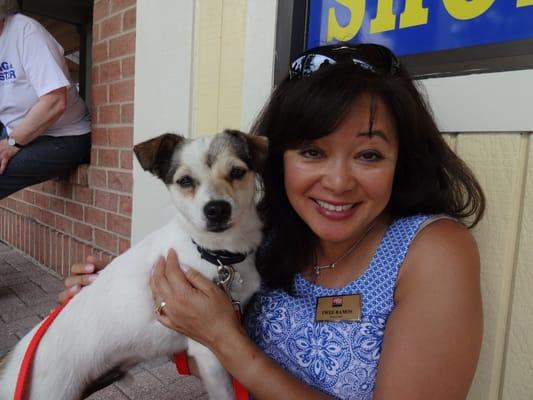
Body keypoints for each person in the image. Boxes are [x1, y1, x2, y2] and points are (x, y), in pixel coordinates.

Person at [60, 43, 485, 399]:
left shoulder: (431, 251)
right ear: (276, 160)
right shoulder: (263, 230)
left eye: (368, 155)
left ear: (402, 159)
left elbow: (217, 334)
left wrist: (226, 339)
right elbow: (188, 316)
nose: (337, 182)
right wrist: (109, 300)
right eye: (312, 152)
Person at [0, 0, 91, 199]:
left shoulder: (25, 32)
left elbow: (54, 102)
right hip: (16, 131)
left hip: (65, 135)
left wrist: (12, 143)